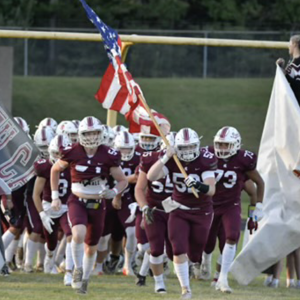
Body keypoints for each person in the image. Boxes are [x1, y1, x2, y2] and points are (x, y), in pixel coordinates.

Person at [51, 116, 127, 294]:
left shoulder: (109, 154)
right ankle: (77, 269)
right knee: (78, 233)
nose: (92, 137)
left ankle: (85, 278)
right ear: (80, 134)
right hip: (77, 199)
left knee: (91, 246)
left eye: (95, 133)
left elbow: (122, 180)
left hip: (98, 203)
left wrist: (114, 192)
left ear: (101, 134)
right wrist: (55, 196)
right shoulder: (72, 151)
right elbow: (55, 169)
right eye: (88, 133)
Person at [147, 127, 217, 299]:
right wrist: (165, 157)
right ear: (177, 146)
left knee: (195, 252)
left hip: (202, 212)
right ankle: (185, 289)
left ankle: (196, 263)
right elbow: (151, 176)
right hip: (178, 209)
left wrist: (198, 185)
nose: (186, 151)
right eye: (183, 147)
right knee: (178, 249)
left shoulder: (205, 160)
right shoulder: (172, 159)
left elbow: (211, 190)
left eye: (190, 147)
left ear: (197, 145)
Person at [201, 126, 264, 293]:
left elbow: (256, 188)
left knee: (231, 237)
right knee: (207, 242)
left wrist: (254, 213)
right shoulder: (207, 155)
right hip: (210, 205)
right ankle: (206, 261)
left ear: (236, 144)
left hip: (231, 205)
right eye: (219, 144)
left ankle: (222, 278)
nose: (221, 149)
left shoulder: (244, 162)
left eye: (226, 145)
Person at [135, 132, 175, 293]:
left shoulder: (187, 163)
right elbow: (139, 188)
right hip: (155, 209)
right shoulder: (150, 159)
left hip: (175, 210)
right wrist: (144, 208)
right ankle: (158, 283)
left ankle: (142, 273)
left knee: (174, 250)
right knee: (156, 246)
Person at [276, 35, 300, 105]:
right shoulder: (291, 61)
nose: (288, 46)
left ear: (295, 44)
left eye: (290, 44)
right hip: (291, 103)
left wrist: (285, 74)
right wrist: (280, 67)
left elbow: (298, 85)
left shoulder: (298, 63)